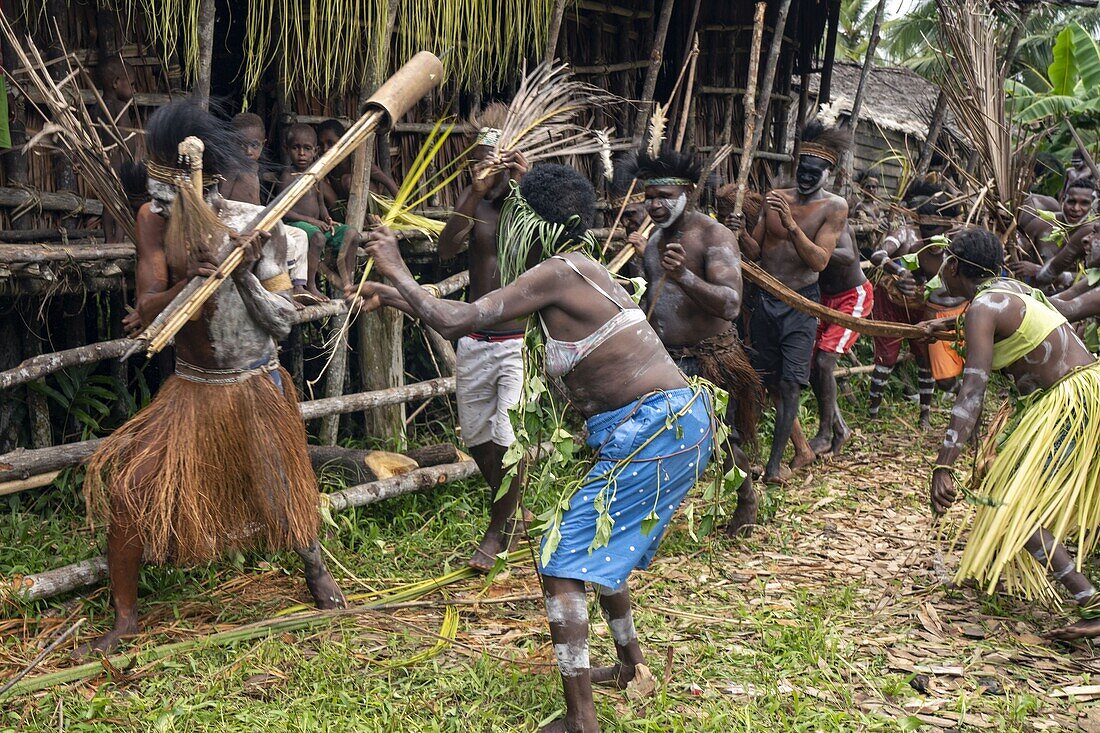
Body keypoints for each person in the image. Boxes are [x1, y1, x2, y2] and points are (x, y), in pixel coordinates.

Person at [349, 163, 715, 733]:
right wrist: (396, 297)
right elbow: (468, 321)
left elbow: (455, 319)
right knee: (596, 540)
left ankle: (580, 721)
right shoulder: (583, 269)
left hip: (655, 430)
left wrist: (394, 265)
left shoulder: (559, 271)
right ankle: (629, 665)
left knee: (558, 560)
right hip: (666, 427)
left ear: (527, 221)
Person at [81, 101, 344, 656]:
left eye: (167, 188)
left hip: (254, 383)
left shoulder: (255, 227)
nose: (157, 200)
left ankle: (316, 569)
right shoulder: (153, 223)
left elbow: (283, 320)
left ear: (207, 181)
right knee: (129, 489)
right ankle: (125, 619)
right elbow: (149, 307)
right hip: (193, 385)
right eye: (152, 186)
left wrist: (242, 273)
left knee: (282, 490)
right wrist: (188, 283)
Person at [925, 226, 1100, 641]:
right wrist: (951, 332)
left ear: (953, 266)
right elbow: (1019, 332)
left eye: (945, 261)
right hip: (1090, 388)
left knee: (1009, 505)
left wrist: (943, 464)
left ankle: (1091, 602)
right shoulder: (1011, 289)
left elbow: (971, 392)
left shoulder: (981, 307)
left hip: (1069, 403)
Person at [627, 148, 763, 535]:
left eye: (664, 196)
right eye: (649, 197)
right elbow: (653, 297)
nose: (654, 205)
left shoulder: (713, 235)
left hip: (710, 359)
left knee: (723, 438)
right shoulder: (654, 242)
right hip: (665, 358)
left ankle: (746, 500)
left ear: (688, 193)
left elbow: (731, 304)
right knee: (656, 439)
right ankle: (650, 516)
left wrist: (686, 276)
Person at [433, 107, 531, 572]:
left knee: (506, 434)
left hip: (517, 341)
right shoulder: (479, 206)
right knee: (478, 440)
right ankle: (512, 509)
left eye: (496, 159)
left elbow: (551, 249)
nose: (488, 168)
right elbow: (446, 248)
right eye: (481, 160)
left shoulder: (531, 211)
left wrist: (525, 184)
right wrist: (471, 194)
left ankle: (497, 531)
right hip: (475, 340)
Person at [749, 120, 848, 483]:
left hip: (801, 304)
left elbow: (819, 261)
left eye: (813, 173)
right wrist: (738, 232)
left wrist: (792, 226)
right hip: (766, 298)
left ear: (828, 172)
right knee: (767, 381)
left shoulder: (834, 207)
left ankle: (776, 467)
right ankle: (764, 455)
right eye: (801, 171)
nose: (805, 179)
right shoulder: (777, 197)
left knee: (792, 383)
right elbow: (756, 250)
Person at [866, 182, 963, 427]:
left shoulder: (952, 244)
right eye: (924, 226)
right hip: (893, 301)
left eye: (933, 227)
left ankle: (925, 417)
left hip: (923, 305)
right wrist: (898, 271)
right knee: (886, 356)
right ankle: (873, 415)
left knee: (924, 356)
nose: (927, 232)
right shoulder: (906, 233)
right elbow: (878, 255)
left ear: (946, 224)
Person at [276, 123, 360, 300]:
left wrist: (327, 219)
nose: (301, 154)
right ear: (286, 149)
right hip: (297, 225)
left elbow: (321, 204)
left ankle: (348, 282)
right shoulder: (287, 176)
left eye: (307, 149)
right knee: (318, 238)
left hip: (317, 226)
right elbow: (283, 211)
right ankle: (311, 284)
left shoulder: (316, 176)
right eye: (295, 148)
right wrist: (312, 222)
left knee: (352, 234)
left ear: (315, 151)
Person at [809, 224, 873, 456]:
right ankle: (839, 429)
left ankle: (825, 434)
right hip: (822, 299)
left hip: (852, 297)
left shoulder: (833, 218)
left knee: (825, 362)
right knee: (812, 364)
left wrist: (809, 248)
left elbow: (847, 256)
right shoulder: (796, 222)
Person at [316, 118, 399, 219]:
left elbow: (387, 181)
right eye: (321, 145)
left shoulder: (355, 161)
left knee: (347, 180)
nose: (325, 149)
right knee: (321, 185)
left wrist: (402, 209)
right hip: (345, 208)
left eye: (330, 143)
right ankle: (339, 220)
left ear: (342, 141)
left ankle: (366, 219)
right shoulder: (326, 165)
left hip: (369, 208)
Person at [1016, 177, 1095, 267]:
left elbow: (1092, 277)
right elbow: (1017, 253)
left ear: (1093, 205)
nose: (1076, 208)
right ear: (1063, 200)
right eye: (1071, 202)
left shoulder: (1095, 235)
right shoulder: (1040, 225)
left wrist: (1037, 271)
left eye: (1084, 203)